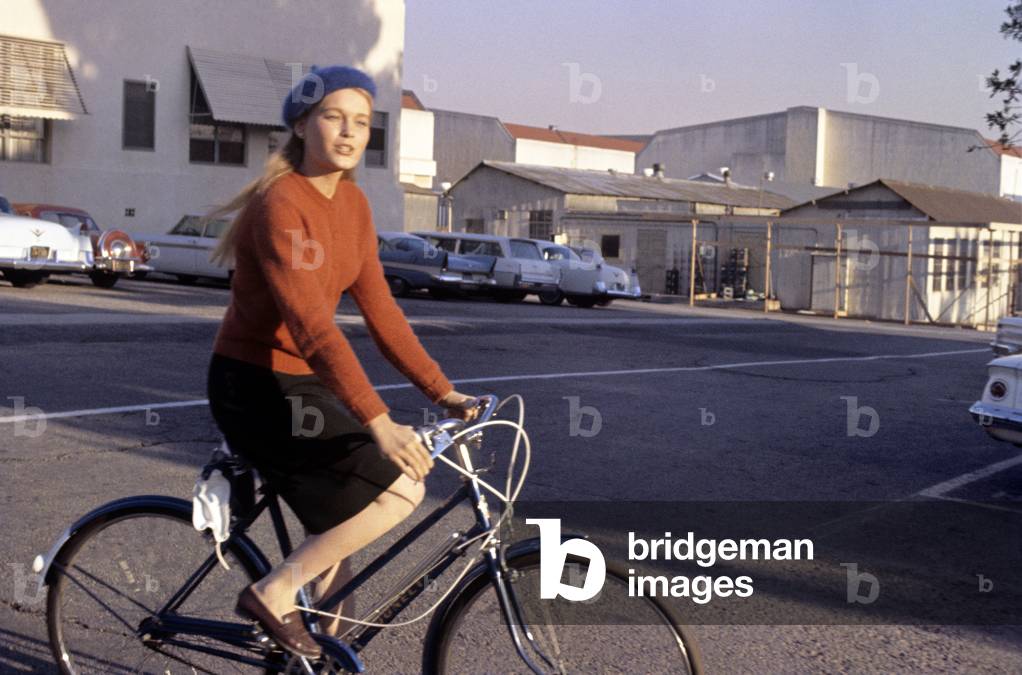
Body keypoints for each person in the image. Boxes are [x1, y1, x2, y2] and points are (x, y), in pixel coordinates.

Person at [204, 64, 478, 659]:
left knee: (336, 548)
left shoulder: (353, 204)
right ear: (302, 126)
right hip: (254, 384)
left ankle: (319, 658)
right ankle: (272, 593)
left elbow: (382, 313)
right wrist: (380, 422)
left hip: (300, 381)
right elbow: (312, 328)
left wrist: (442, 391)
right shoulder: (280, 204)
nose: (350, 132)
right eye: (333, 117)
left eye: (361, 121)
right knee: (400, 491)